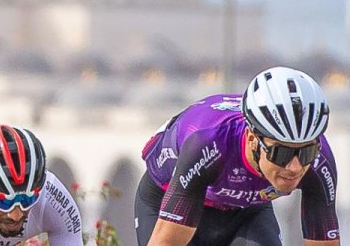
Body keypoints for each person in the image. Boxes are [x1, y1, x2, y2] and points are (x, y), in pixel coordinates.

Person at [135, 67, 339, 246]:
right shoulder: (209, 144)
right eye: (281, 153)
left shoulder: (320, 163)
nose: (295, 167)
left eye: (306, 153)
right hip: (171, 196)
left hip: (245, 210)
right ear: (252, 138)